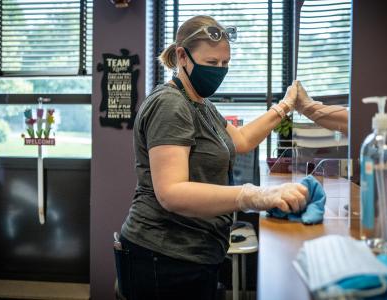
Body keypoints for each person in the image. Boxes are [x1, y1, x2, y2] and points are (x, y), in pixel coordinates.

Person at [118, 15, 308, 300]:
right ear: (182, 56)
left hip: (197, 252)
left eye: (225, 64)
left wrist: (285, 105)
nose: (219, 71)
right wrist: (252, 196)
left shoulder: (200, 104)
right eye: (211, 64)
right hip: (162, 256)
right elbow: (171, 193)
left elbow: (241, 140)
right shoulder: (171, 105)